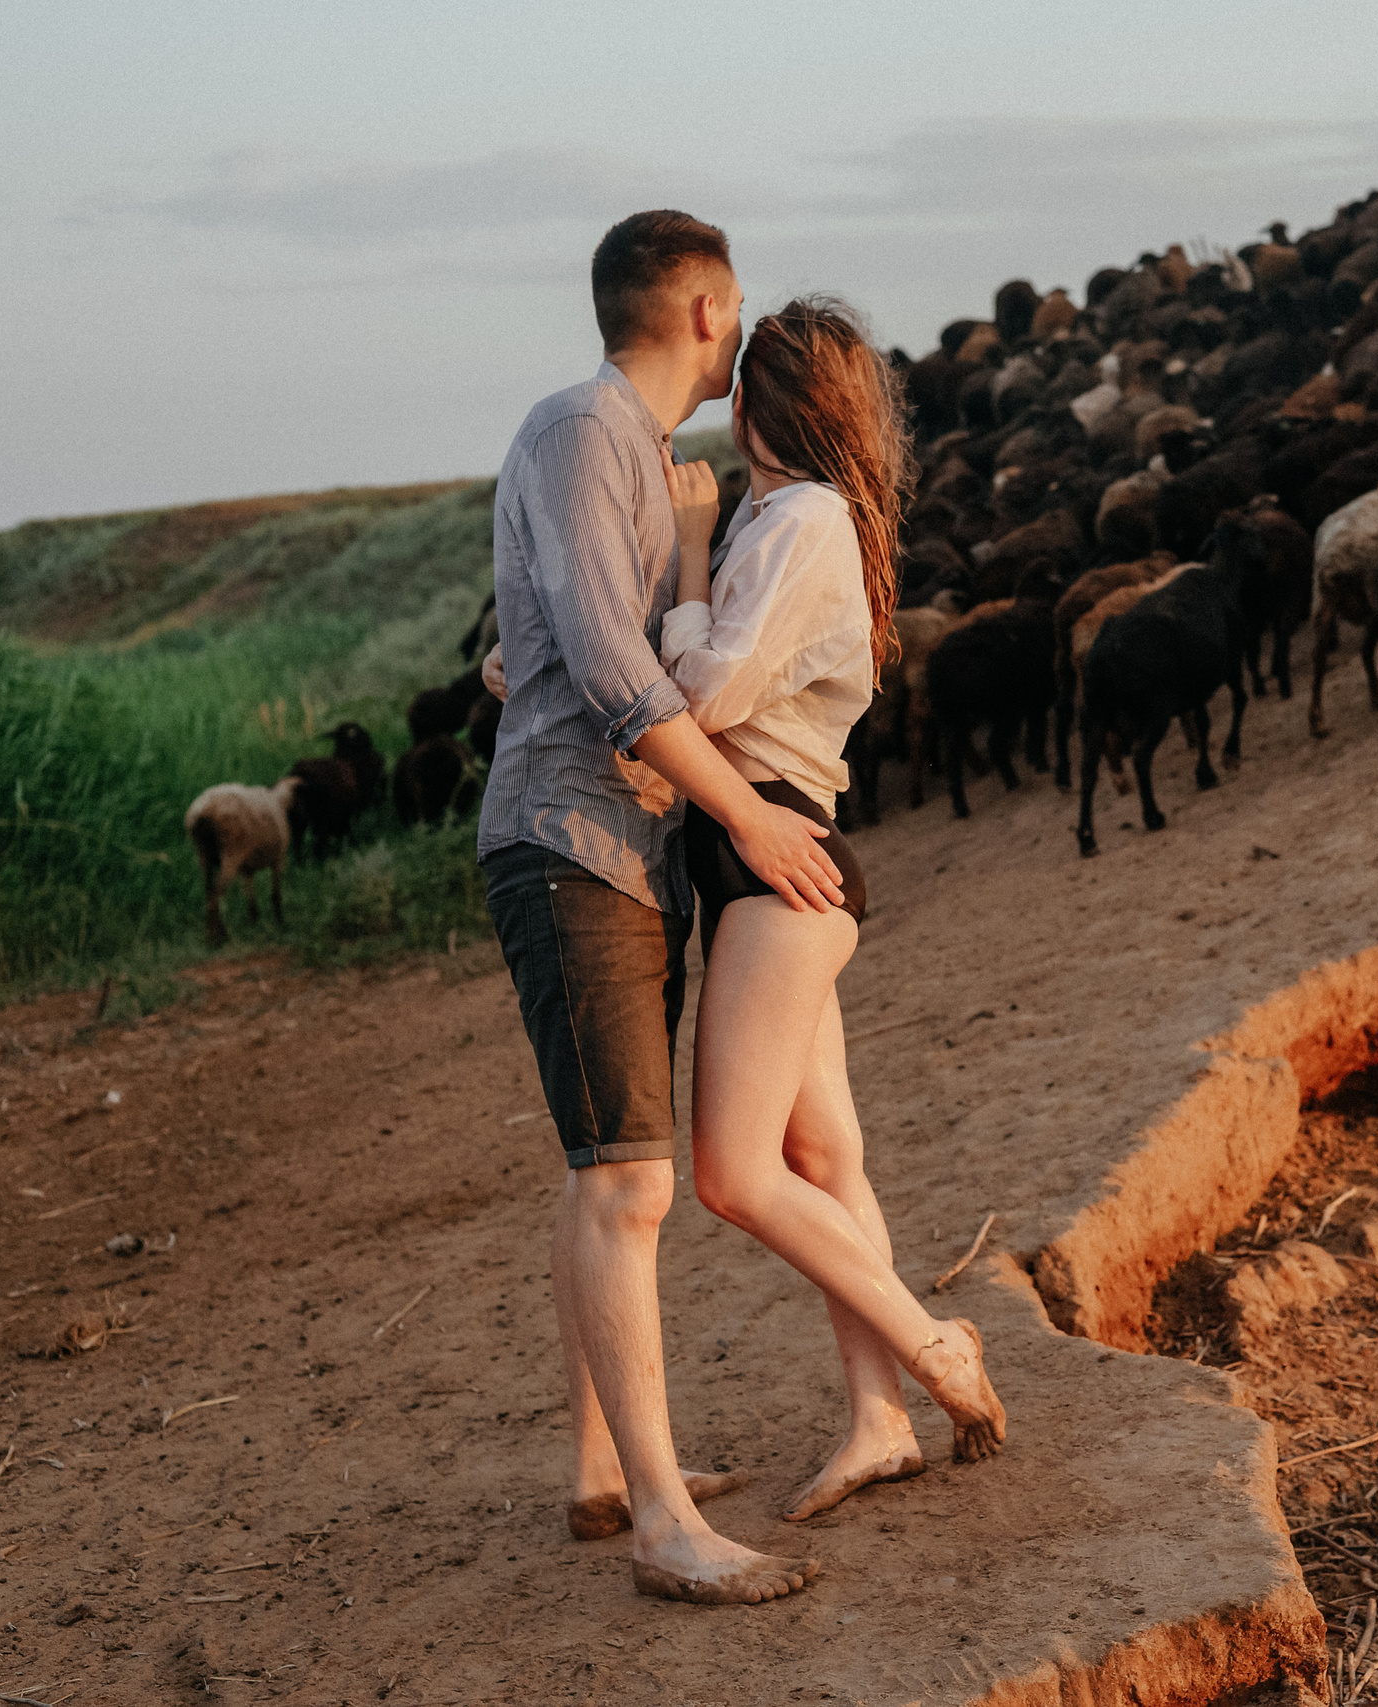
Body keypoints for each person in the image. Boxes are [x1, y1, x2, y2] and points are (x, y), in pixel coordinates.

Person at [475, 210, 849, 1606]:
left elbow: (538, 644)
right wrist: (752, 813)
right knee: (627, 1176)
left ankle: (601, 1470)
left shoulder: (640, 459)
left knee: (608, 1163)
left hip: (624, 846)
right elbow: (615, 668)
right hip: (572, 836)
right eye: (737, 304)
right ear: (703, 308)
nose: (743, 328)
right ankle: (661, 1520)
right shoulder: (581, 429)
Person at [657, 297, 1008, 1524]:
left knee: (730, 1173)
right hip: (769, 859)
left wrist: (691, 559)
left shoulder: (799, 520)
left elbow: (708, 690)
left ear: (759, 400)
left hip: (778, 858)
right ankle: (878, 1423)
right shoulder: (795, 515)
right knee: (824, 1156)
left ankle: (930, 1348)